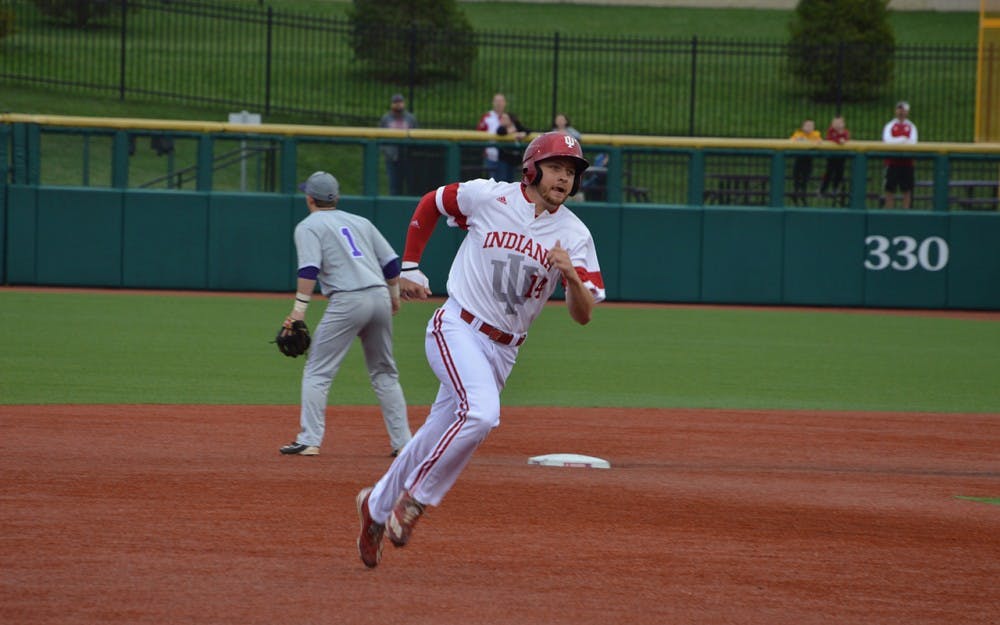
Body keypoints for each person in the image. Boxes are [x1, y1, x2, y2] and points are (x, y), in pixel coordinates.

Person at [355, 131, 606, 568]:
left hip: (504, 352)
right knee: (481, 413)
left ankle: (376, 506)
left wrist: (571, 277)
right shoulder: (488, 198)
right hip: (458, 327)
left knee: (435, 433)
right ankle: (415, 500)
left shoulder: (576, 235)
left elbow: (583, 315)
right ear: (532, 168)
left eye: (571, 172)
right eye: (556, 168)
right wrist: (410, 265)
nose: (564, 179)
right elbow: (433, 202)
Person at [279, 171, 412, 458]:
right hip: (378, 295)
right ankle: (403, 443)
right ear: (336, 198)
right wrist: (393, 297)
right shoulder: (360, 222)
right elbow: (390, 263)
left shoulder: (308, 225)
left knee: (317, 371)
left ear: (309, 198)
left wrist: (298, 311)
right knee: (385, 372)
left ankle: (309, 439)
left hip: (348, 300)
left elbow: (309, 270)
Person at [476, 92, 527, 182]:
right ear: (493, 102)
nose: (499, 103)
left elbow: (522, 129)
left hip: (507, 155)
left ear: (505, 103)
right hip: (491, 155)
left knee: (508, 183)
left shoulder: (508, 118)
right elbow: (479, 134)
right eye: (497, 101)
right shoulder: (487, 117)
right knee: (493, 183)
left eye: (501, 101)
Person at [378, 93, 418, 196]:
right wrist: (387, 152)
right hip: (392, 157)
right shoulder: (386, 119)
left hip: (408, 156)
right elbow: (380, 136)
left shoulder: (410, 118)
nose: (398, 104)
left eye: (400, 102)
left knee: (410, 184)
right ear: (392, 104)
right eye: (396, 102)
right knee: (394, 185)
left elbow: (417, 135)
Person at [882, 101, 918, 209]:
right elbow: (887, 141)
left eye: (903, 110)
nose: (901, 112)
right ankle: (889, 211)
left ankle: (906, 211)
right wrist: (903, 139)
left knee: (907, 189)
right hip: (892, 162)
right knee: (889, 188)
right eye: (899, 109)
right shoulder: (890, 126)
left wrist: (897, 142)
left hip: (907, 163)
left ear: (907, 112)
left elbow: (913, 142)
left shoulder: (911, 126)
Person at [789, 118, 822, 206]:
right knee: (796, 177)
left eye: (811, 126)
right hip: (799, 158)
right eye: (807, 125)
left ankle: (803, 195)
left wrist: (816, 142)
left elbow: (819, 141)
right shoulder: (798, 134)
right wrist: (799, 140)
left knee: (805, 178)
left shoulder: (816, 134)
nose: (809, 128)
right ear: (802, 127)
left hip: (808, 159)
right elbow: (792, 140)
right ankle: (795, 194)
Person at [818, 115, 850, 204]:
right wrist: (839, 140)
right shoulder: (831, 131)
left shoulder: (845, 132)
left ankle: (835, 188)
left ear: (843, 124)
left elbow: (847, 138)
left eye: (839, 123)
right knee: (829, 173)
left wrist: (843, 140)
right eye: (835, 123)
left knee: (839, 173)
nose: (837, 125)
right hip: (832, 156)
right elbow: (830, 138)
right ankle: (822, 190)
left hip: (841, 157)